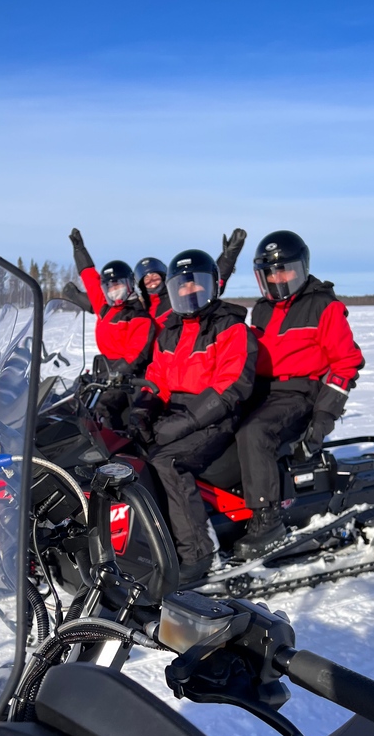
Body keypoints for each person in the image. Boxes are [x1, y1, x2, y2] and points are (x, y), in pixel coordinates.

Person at [234, 230, 365, 560]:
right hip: (262, 390)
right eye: (270, 273)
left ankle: (268, 519)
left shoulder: (323, 306)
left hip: (300, 393)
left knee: (255, 432)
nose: (278, 278)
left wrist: (323, 417)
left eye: (284, 270)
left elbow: (346, 363)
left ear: (301, 268)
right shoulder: (261, 309)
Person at [129, 249, 257, 584]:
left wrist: (186, 421)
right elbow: (157, 376)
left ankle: (198, 551)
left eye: (196, 284)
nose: (189, 292)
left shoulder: (230, 327)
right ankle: (157, 540)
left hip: (217, 417)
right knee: (131, 453)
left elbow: (231, 386)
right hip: (178, 413)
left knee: (168, 462)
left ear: (213, 285)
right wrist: (144, 407)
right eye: (181, 286)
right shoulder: (170, 330)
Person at [68, 229, 155, 429]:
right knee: (78, 402)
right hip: (105, 371)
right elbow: (90, 278)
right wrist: (79, 250)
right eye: (111, 287)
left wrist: (115, 375)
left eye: (119, 285)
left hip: (127, 375)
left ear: (129, 285)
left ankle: (107, 449)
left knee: (101, 409)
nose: (115, 291)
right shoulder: (105, 309)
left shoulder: (138, 317)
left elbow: (136, 354)